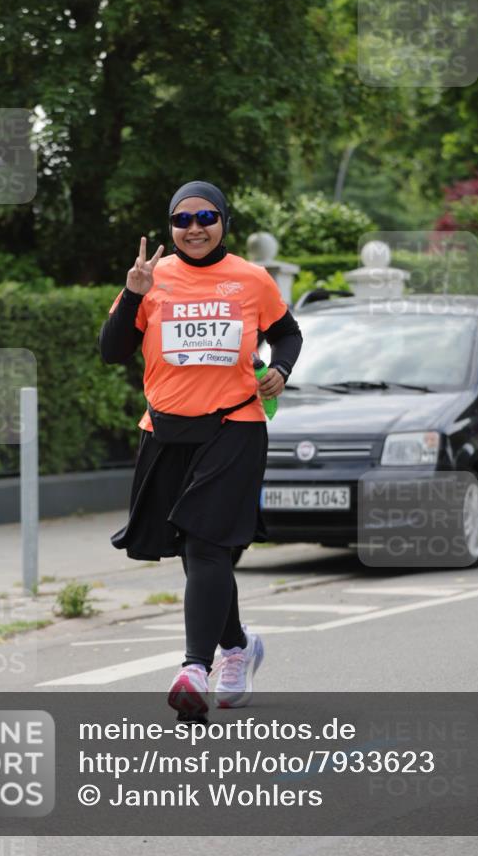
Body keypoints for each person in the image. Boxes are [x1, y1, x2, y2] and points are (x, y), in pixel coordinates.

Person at [98, 180, 303, 718]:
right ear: (171, 226)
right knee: (194, 551)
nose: (194, 228)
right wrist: (134, 293)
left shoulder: (251, 279)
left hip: (235, 426)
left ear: (223, 222)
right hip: (165, 431)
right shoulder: (152, 278)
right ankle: (237, 646)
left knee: (206, 543)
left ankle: (194, 668)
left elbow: (288, 333)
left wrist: (281, 369)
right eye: (182, 219)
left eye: (206, 217)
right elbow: (112, 351)